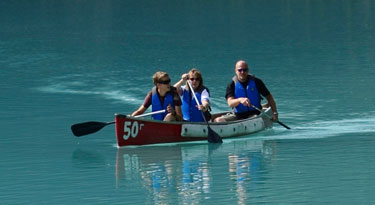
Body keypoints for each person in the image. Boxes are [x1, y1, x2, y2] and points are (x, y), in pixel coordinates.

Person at [214, 60, 278, 122]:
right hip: (238, 115)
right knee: (218, 120)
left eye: (245, 70)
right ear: (235, 71)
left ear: (248, 70)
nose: (242, 72)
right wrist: (240, 100)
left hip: (255, 114)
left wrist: (275, 113)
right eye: (240, 70)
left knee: (254, 119)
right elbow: (230, 103)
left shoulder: (257, 82)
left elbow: (269, 98)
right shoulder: (231, 85)